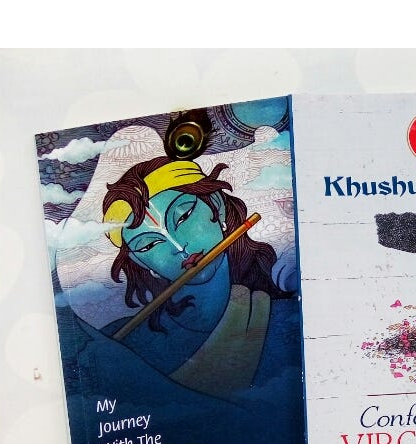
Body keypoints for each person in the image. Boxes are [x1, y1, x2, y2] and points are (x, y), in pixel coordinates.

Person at [101, 156, 298, 397]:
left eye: (184, 216)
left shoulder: (287, 315)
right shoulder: (117, 344)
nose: (179, 247)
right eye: (149, 245)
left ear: (216, 204)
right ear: (140, 262)